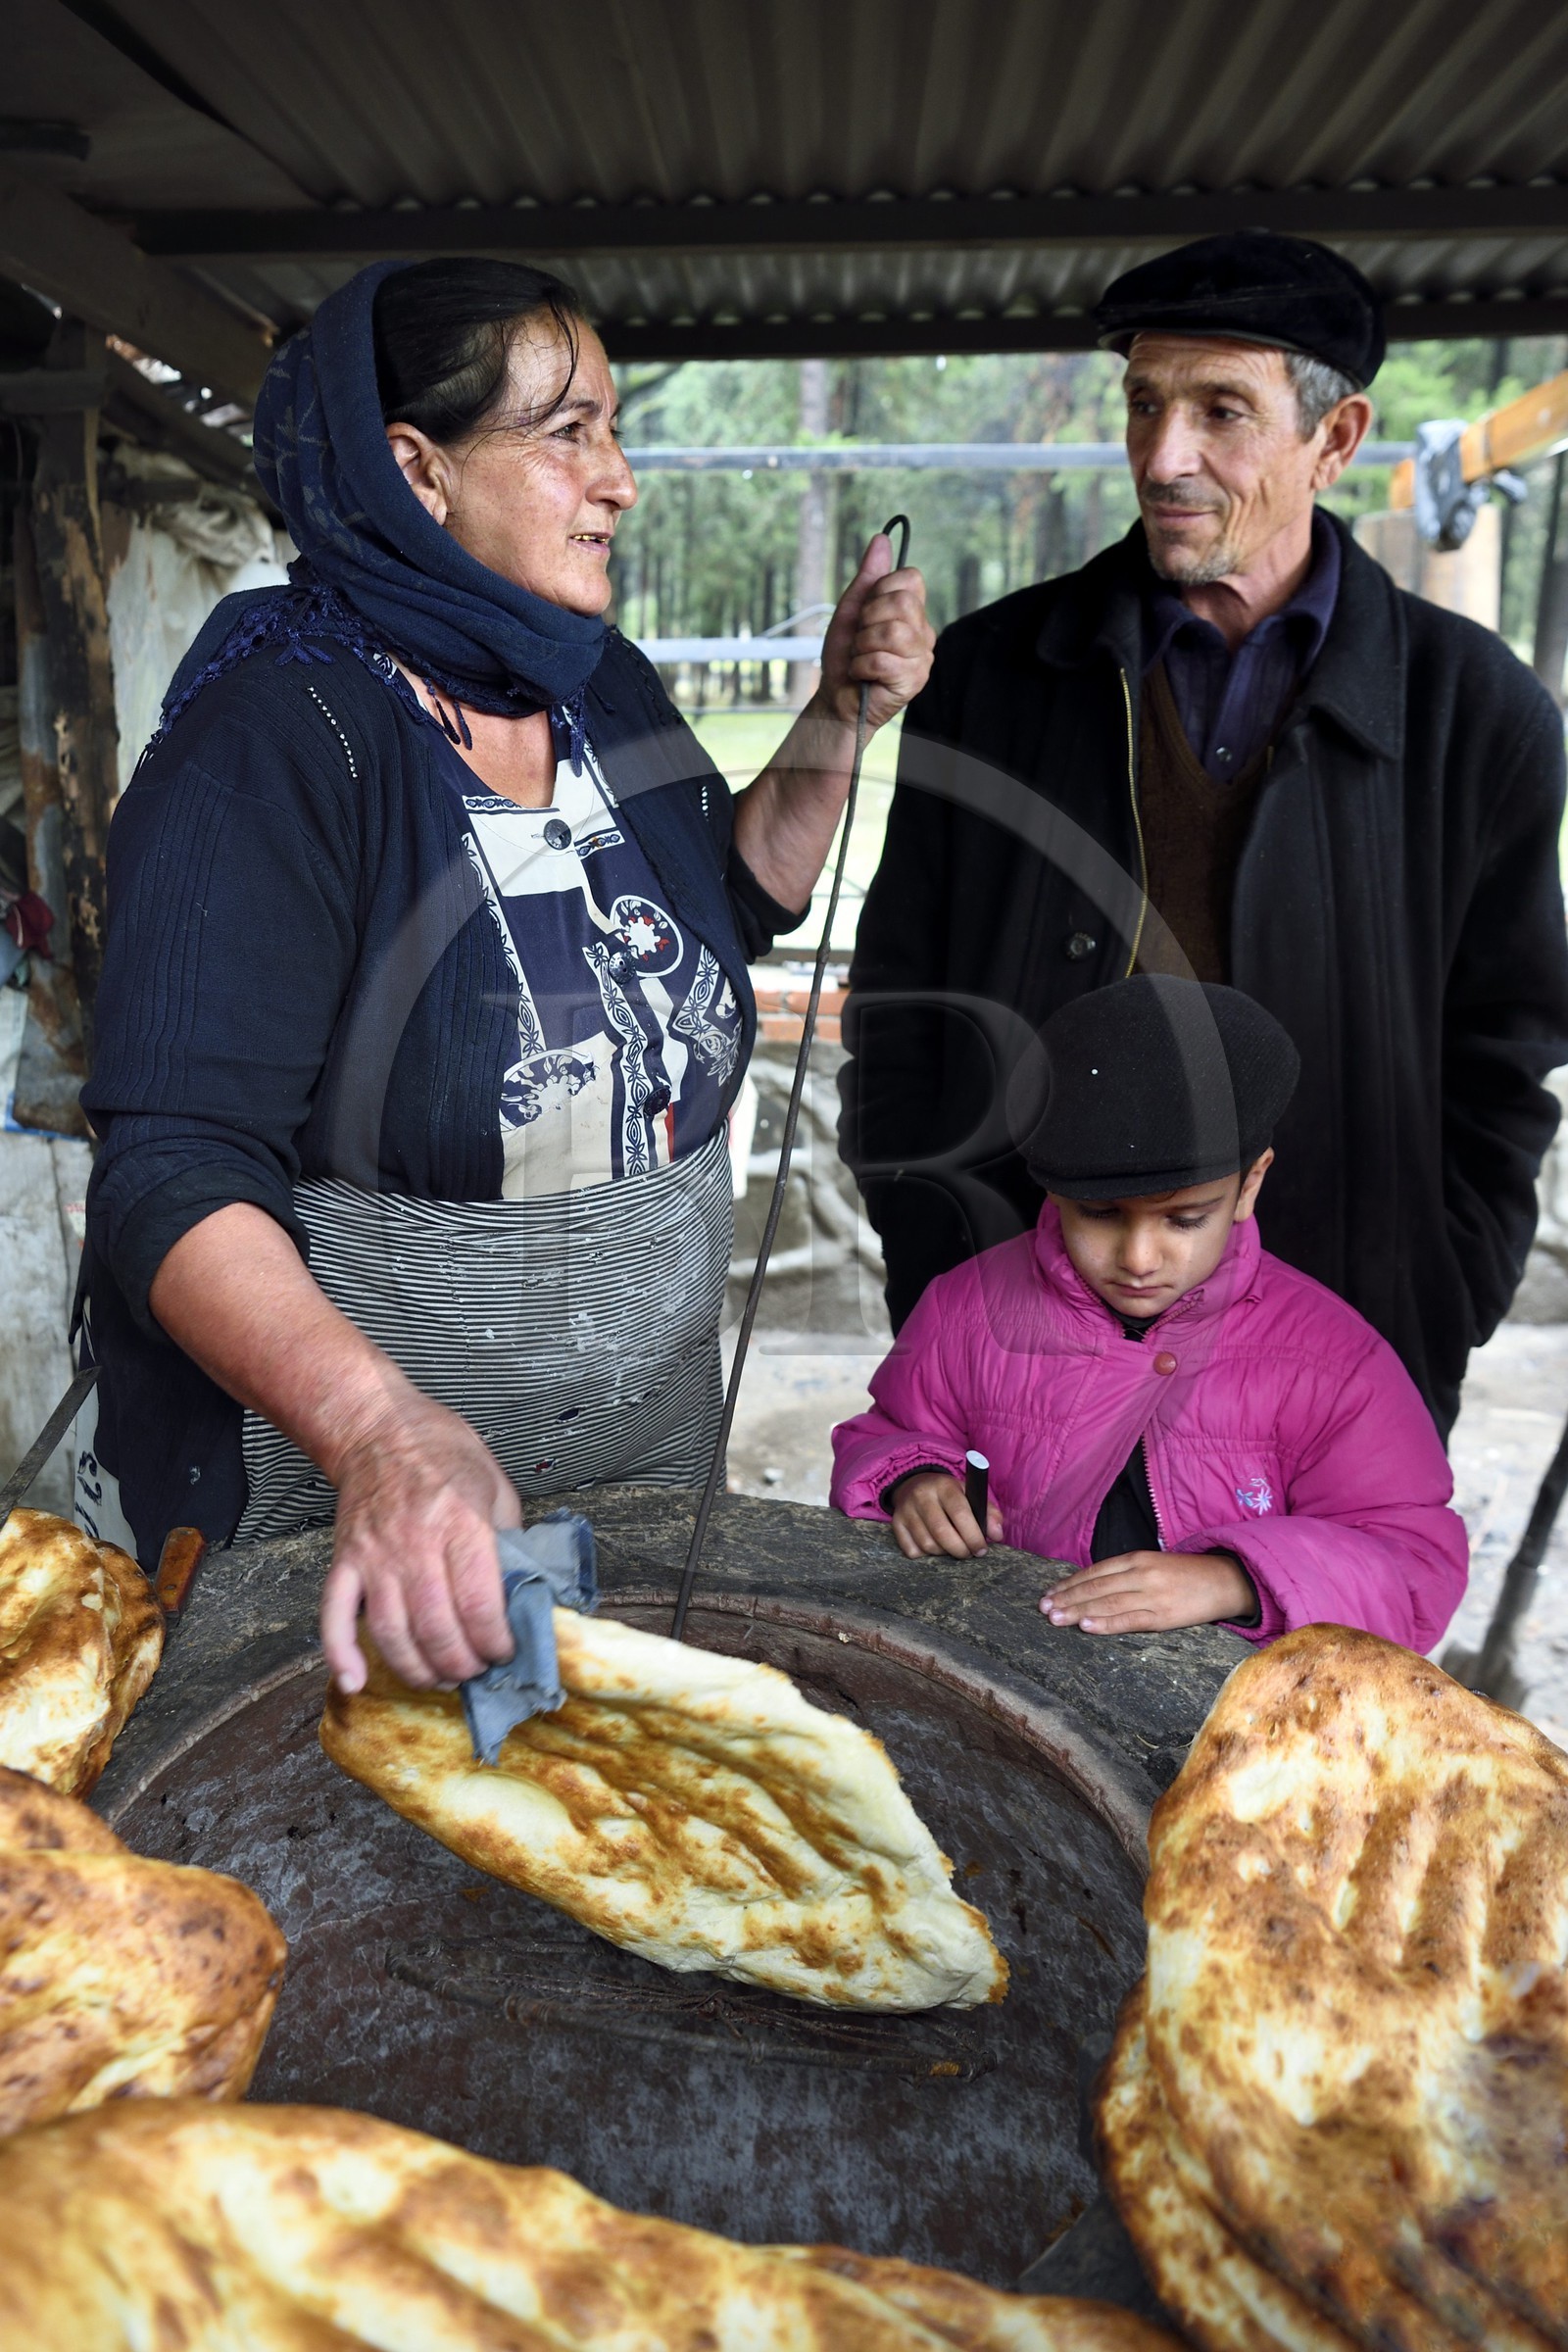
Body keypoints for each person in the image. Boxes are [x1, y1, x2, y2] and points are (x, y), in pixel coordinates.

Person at [79, 257, 933, 1695]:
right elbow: (174, 1167)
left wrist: (839, 713)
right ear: (415, 472)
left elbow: (728, 897)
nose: (621, 483)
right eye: (568, 435)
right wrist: (379, 1436)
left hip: (640, 1467)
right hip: (361, 1513)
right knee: (364, 1855)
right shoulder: (277, 741)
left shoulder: (595, 686)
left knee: (604, 1829)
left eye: (614, 430)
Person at [838, 229, 1568, 1437]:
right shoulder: (989, 679)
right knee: (1011, 1626)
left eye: (1221, 410)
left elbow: (1504, 1061)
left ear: (1333, 440)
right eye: (1143, 404)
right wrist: (936, 1268)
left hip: (1342, 1342)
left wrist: (1436, 1298)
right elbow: (904, 1003)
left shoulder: (1477, 715)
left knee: (1307, 1636)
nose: (1163, 455)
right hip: (1025, 1329)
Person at [831, 978, 1468, 1651]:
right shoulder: (969, 1310)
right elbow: (892, 1430)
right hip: (1009, 1670)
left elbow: (1414, 1565)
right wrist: (914, 1478)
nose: (1138, 1258)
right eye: (1100, 1215)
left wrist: (1235, 1580)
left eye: (1185, 1218)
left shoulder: (1337, 1362)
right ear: (1053, 1188)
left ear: (1250, 1184)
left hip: (1227, 1725)